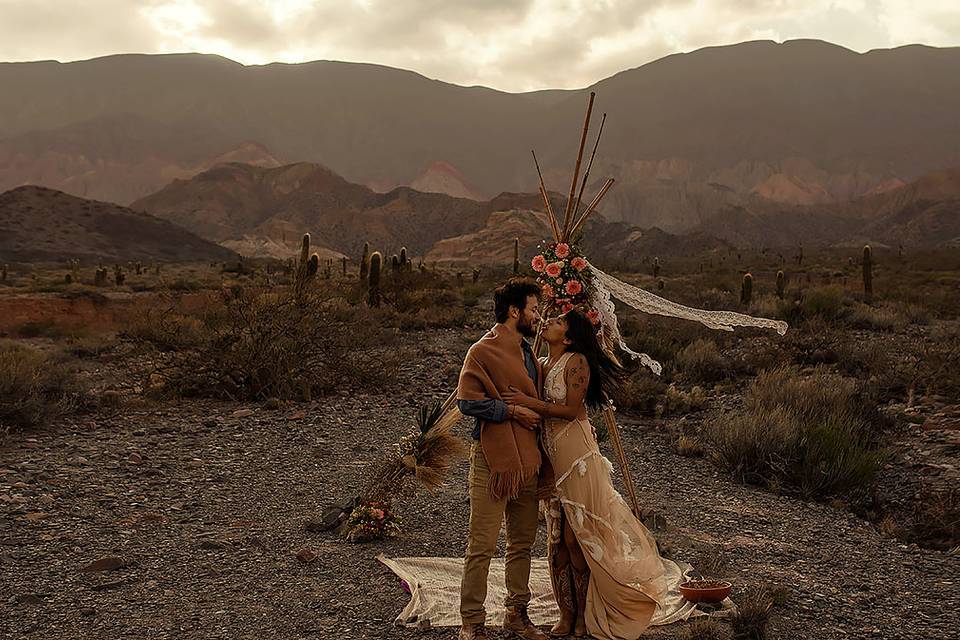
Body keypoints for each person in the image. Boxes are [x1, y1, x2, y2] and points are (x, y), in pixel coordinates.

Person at [503, 309, 667, 640]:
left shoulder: (576, 362)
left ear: (568, 336)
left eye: (558, 322)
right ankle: (567, 613)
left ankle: (584, 614)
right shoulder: (543, 363)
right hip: (552, 458)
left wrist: (527, 403)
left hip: (576, 456)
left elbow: (573, 410)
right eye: (549, 319)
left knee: (576, 537)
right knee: (555, 538)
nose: (547, 323)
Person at [455, 277, 554, 640]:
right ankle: (472, 621)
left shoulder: (527, 350)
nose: (538, 315)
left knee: (522, 542)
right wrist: (512, 411)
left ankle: (517, 614)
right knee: (481, 544)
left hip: (527, 458)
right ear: (515, 311)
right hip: (493, 460)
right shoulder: (482, 351)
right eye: (533, 309)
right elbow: (468, 402)